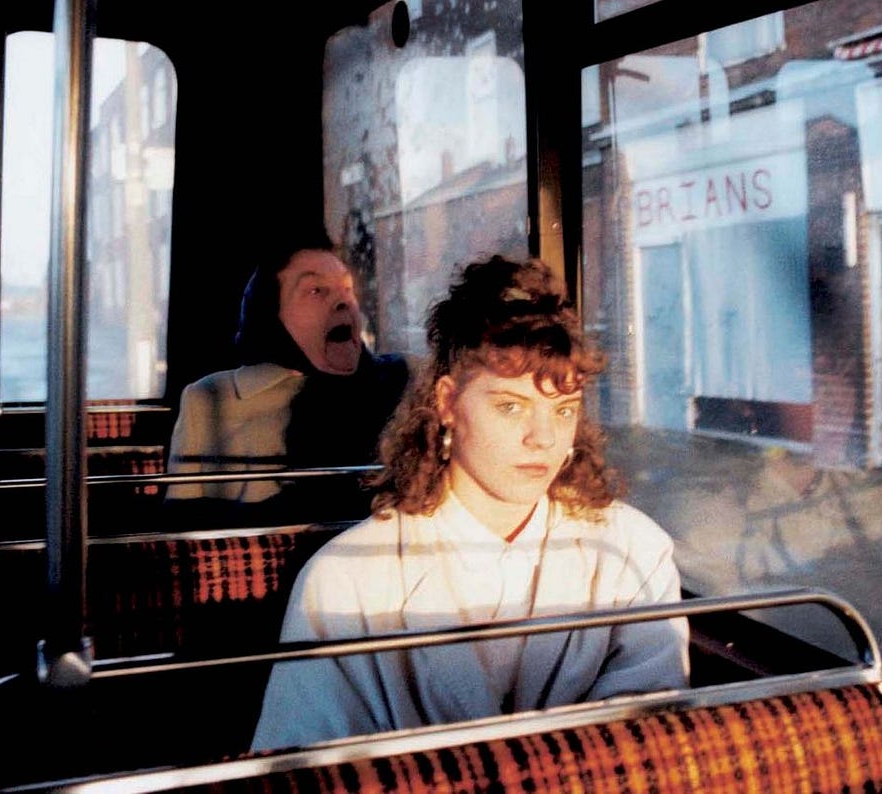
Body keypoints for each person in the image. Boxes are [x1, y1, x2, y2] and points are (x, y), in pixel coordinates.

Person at [250, 255, 689, 752]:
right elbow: (308, 766)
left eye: (563, 409)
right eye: (511, 406)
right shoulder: (344, 580)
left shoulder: (633, 550)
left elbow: (647, 750)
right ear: (447, 403)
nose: (543, 438)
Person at [166, 227, 408, 502]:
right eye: (316, 290)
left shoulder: (403, 380)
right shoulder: (210, 397)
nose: (343, 302)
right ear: (270, 313)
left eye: (347, 288)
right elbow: (183, 519)